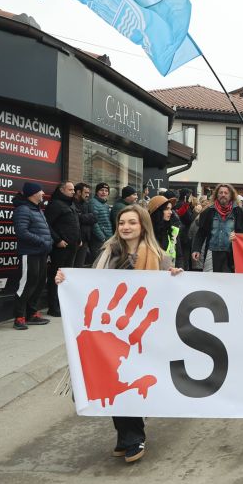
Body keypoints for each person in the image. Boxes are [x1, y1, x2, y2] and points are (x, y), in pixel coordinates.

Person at [55, 204, 183, 463]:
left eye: (132, 222)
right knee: (110, 381)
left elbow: (168, 296)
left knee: (126, 383)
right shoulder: (107, 253)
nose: (126, 227)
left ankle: (132, 438)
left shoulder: (159, 257)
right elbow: (91, 287)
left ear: (142, 225)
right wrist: (65, 280)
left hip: (142, 335)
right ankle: (128, 437)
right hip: (110, 334)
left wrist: (175, 276)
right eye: (122, 222)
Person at [11, 182, 53, 330]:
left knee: (39, 283)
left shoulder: (38, 210)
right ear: (33, 193)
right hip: (29, 253)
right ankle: (19, 317)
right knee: (27, 284)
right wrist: (42, 241)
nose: (43, 194)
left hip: (41, 253)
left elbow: (44, 230)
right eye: (40, 191)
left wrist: (49, 242)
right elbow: (21, 232)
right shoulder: (23, 210)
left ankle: (32, 314)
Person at [191, 183, 243, 273]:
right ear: (217, 195)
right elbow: (201, 233)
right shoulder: (209, 211)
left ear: (231, 195)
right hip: (212, 251)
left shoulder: (238, 211)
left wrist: (237, 236)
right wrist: (196, 249)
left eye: (226, 193)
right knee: (210, 281)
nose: (223, 195)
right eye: (220, 193)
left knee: (229, 282)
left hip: (231, 254)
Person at [44, 181, 80, 317]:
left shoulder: (70, 204)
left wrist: (79, 238)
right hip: (60, 248)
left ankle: (62, 304)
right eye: (70, 189)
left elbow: (75, 223)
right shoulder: (55, 205)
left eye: (73, 190)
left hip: (72, 246)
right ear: (62, 190)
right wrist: (58, 240)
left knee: (67, 277)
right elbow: (47, 224)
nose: (73, 192)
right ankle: (53, 307)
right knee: (57, 276)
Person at [147, 195, 179, 261]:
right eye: (166, 209)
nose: (170, 212)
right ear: (157, 212)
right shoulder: (146, 233)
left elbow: (180, 256)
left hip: (171, 270)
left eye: (170, 209)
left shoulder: (173, 231)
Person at [71, 183, 96, 268]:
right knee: (71, 266)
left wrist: (83, 217)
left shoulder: (86, 203)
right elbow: (76, 218)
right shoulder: (71, 203)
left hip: (85, 239)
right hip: (75, 239)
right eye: (86, 192)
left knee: (79, 266)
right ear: (78, 192)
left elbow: (95, 217)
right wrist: (87, 217)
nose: (88, 195)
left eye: (88, 193)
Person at [89, 182, 114, 261]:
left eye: (106, 191)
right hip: (99, 240)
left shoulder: (105, 205)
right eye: (101, 190)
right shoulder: (93, 202)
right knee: (99, 263)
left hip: (107, 238)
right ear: (97, 192)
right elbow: (93, 222)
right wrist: (102, 237)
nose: (104, 192)